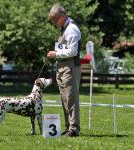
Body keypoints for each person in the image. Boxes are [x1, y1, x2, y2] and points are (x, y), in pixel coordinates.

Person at [47, 3, 81, 137]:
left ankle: (74, 129)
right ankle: (68, 127)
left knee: (71, 99)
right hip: (62, 67)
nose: (54, 22)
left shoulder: (72, 29)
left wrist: (56, 54)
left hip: (70, 66)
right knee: (64, 99)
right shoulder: (64, 29)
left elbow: (73, 51)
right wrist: (56, 53)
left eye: (55, 19)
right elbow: (64, 48)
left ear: (63, 16)